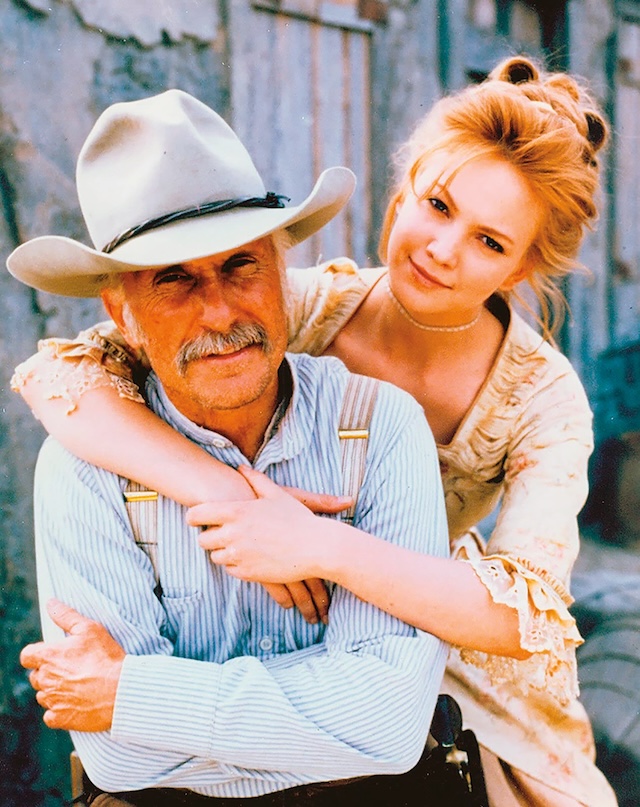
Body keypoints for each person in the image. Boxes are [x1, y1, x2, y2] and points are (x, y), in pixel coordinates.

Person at [12, 57, 618, 806]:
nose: (441, 248)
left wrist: (315, 543)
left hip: (450, 662)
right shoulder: (299, 302)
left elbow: (519, 616)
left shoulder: (543, 400)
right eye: (437, 204)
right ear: (403, 194)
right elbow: (62, 380)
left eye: (490, 242)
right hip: (308, 651)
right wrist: (225, 494)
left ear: (523, 265)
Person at [13, 89, 451, 804]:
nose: (218, 310)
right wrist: (323, 727)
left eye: (241, 264)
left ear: (286, 276)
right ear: (122, 313)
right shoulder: (81, 466)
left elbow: (392, 726)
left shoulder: (381, 428)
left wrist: (135, 691)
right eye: (174, 279)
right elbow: (123, 760)